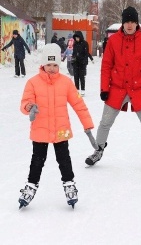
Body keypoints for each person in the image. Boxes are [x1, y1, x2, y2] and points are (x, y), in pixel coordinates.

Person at [85, 6, 141, 169]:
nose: (129, 25)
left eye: (132, 22)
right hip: (117, 89)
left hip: (140, 89)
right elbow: (106, 66)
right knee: (105, 122)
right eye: (126, 22)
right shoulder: (114, 41)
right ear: (122, 23)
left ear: (137, 23)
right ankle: (98, 150)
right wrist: (104, 89)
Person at [19, 43, 94, 208]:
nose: (51, 68)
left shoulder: (66, 82)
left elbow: (78, 104)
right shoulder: (33, 83)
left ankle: (69, 185)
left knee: (64, 159)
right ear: (43, 64)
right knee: (37, 160)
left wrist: (87, 124)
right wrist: (30, 107)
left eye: (54, 65)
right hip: (40, 129)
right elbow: (25, 103)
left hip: (61, 129)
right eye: (48, 64)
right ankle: (30, 186)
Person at [71, 31, 90, 96]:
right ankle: (76, 89)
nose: (77, 39)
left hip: (82, 63)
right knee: (76, 77)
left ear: (80, 37)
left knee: (82, 77)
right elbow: (74, 53)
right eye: (76, 38)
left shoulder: (85, 43)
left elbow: (86, 53)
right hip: (76, 63)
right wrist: (73, 60)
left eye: (78, 37)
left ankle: (82, 90)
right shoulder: (75, 44)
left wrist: (84, 62)